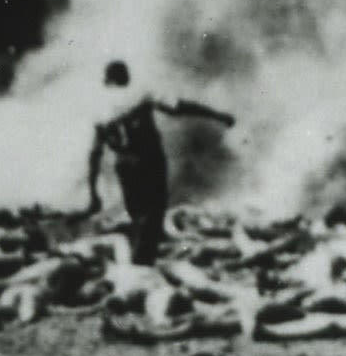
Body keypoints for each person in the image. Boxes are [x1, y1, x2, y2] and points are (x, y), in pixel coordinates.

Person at [87, 60, 235, 267]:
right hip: (148, 161)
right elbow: (179, 107)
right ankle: (141, 266)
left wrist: (93, 193)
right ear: (125, 77)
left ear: (107, 81)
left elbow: (94, 154)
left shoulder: (100, 112)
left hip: (123, 166)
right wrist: (216, 115)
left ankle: (139, 261)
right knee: (153, 214)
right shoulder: (139, 94)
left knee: (138, 216)